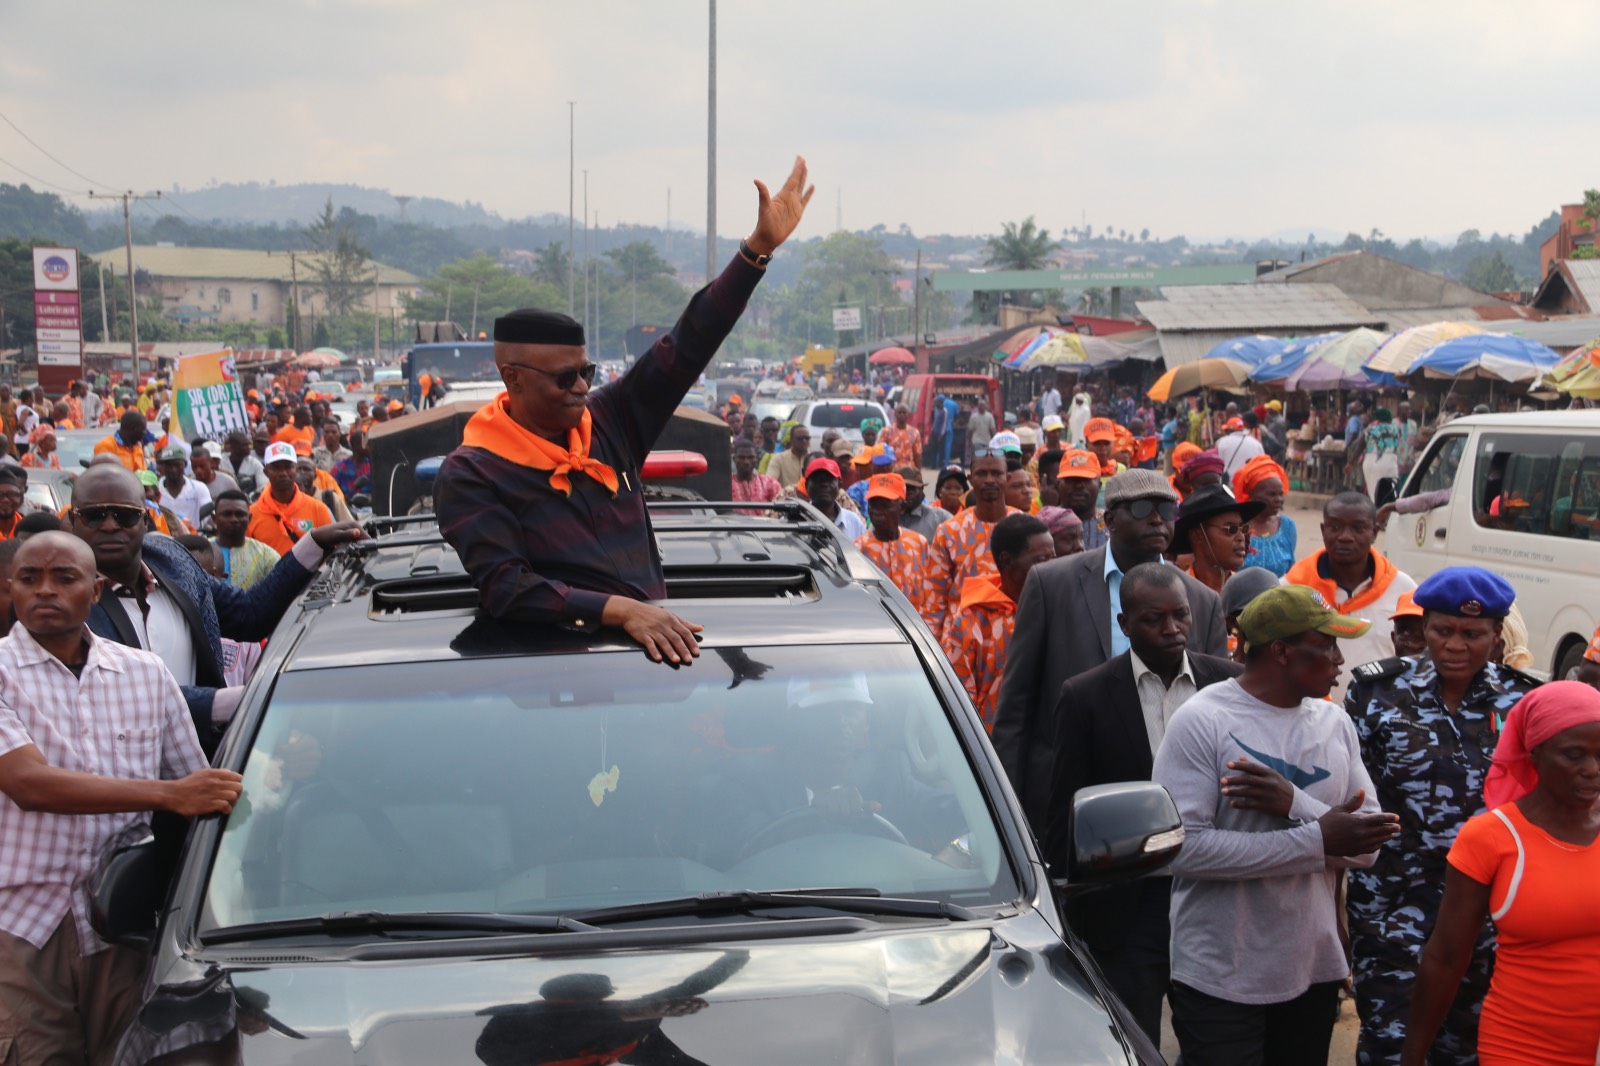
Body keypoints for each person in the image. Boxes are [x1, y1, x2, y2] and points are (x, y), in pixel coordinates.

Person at [0, 532, 243, 1066]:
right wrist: (169, 795)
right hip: (23, 930)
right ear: (9, 588)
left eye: (64, 578)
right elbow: (27, 783)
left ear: (96, 589)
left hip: (126, 926)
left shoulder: (144, 674)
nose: (45, 591)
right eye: (29, 579)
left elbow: (201, 794)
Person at [1153, 583, 1401, 1066]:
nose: (1338, 658)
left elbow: (1368, 841)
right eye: (1326, 644)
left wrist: (1296, 805)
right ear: (1282, 652)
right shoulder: (1202, 721)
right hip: (1222, 972)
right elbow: (1181, 849)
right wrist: (1316, 838)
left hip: (1312, 968)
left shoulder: (1334, 723)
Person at [1041, 563, 1243, 1043]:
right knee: (1136, 1041)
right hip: (1129, 906)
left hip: (1212, 895)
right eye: (1155, 619)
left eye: (1181, 616)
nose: (1172, 630)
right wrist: (1066, 901)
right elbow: (1065, 808)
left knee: (1215, 1042)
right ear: (1124, 623)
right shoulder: (1086, 695)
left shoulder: (1228, 686)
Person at [1345, 566, 1538, 1066]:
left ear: (1497, 637)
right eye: (1442, 630)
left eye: (1473, 634)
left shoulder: (1522, 702)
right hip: (1392, 906)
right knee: (1391, 1044)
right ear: (1424, 626)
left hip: (1485, 911)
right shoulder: (1375, 694)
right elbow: (1350, 793)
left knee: (1470, 1047)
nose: (1456, 645)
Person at [992, 469, 1229, 826]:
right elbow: (1016, 708)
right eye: (1142, 509)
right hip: (1066, 795)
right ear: (1109, 520)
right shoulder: (1051, 584)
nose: (1156, 519)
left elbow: (1216, 712)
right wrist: (1006, 808)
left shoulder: (1203, 601)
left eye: (1166, 511)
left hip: (1171, 804)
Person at [71, 463, 362, 752]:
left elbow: (249, 614)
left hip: (206, 757)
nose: (110, 526)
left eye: (124, 515)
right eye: (94, 516)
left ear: (145, 520)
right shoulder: (61, 600)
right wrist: (237, 701)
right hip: (119, 767)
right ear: (73, 522)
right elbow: (120, 697)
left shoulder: (171, 560)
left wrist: (312, 545)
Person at [1401, 682, 1600, 1066]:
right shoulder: (1492, 839)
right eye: (1574, 755)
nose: (1592, 770)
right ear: (1535, 753)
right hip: (1522, 1048)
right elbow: (1444, 958)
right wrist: (1412, 1057)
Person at [1285, 491, 1418, 702]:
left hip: (1381, 717)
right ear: (1323, 530)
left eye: (1358, 528)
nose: (1345, 536)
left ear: (1374, 532)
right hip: (1308, 719)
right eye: (1335, 527)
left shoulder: (1403, 589)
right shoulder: (1291, 589)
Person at [947, 514, 1053, 729]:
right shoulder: (971, 621)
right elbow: (959, 699)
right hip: (993, 748)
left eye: (1055, 557)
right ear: (1006, 560)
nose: (1053, 567)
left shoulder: (1059, 606)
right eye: (1042, 561)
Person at [925, 453, 1016, 649]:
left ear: (1007, 478)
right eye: (982, 474)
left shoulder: (1025, 528)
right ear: (971, 479)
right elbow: (935, 600)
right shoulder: (949, 531)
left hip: (1014, 641)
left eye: (996, 473)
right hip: (961, 643)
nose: (989, 480)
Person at [854, 473, 930, 615]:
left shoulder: (919, 543)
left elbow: (929, 593)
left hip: (915, 629)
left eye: (885, 506)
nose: (877, 512)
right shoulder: (857, 550)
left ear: (902, 508)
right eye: (873, 505)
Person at [248, 442, 335, 555]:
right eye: (276, 468)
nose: (283, 473)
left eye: (288, 467)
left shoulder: (318, 509)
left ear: (296, 469)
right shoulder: (252, 514)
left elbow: (332, 553)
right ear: (266, 472)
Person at [1175, 483, 1264, 594]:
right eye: (1231, 529)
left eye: (1244, 529)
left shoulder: (1249, 593)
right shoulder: (1178, 595)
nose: (1241, 537)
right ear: (1197, 536)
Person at [1235, 454, 1296, 578]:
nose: (1278, 499)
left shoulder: (1287, 527)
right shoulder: (1236, 527)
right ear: (1252, 494)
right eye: (1272, 494)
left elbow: (1291, 572)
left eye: (1280, 494)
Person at [209, 490, 278, 590]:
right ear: (214, 518)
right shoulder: (200, 551)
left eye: (240, 514)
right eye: (227, 514)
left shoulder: (267, 556)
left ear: (249, 518)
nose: (234, 519)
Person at [1220, 566, 1280, 662]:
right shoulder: (1218, 671)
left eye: (1276, 610)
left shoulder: (1290, 670)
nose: (1272, 618)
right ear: (1232, 622)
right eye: (1260, 613)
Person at [1055, 448, 1107, 550]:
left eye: (1086, 480)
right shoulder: (1044, 525)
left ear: (1099, 486)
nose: (1078, 485)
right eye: (1071, 479)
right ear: (1058, 485)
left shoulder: (1112, 525)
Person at [155, 445, 210, 533]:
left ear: (185, 464)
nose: (173, 469)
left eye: (177, 465)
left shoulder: (199, 488)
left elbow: (207, 514)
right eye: (168, 465)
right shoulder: (155, 490)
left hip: (194, 538)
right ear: (162, 466)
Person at [293, 456, 355, 524]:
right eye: (298, 469)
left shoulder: (330, 498)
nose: (302, 472)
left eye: (306, 469)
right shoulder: (287, 499)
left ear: (315, 476)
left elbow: (349, 525)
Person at [895, 466, 949, 540]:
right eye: (905, 489)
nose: (908, 493)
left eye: (913, 488)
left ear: (921, 489)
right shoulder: (886, 517)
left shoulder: (940, 517)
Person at [1362, 406, 1402, 499]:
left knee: (1373, 491)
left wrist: (1350, 463)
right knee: (1390, 490)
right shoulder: (1396, 429)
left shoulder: (1370, 429)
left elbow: (1360, 446)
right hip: (1389, 461)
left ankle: (1375, 509)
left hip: (1371, 461)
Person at [730, 438, 781, 512]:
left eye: (751, 457)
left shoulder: (770, 483)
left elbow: (779, 512)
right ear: (734, 459)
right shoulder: (725, 484)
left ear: (756, 459)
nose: (746, 462)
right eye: (741, 457)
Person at [219, 430, 266, 496]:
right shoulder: (221, 462)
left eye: (248, 444)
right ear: (233, 446)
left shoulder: (254, 463)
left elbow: (263, 486)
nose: (248, 448)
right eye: (244, 445)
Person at [330, 429, 372, 499]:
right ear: (356, 445)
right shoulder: (340, 466)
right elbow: (331, 488)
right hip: (346, 506)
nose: (369, 447)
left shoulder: (372, 466)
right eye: (366, 444)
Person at [1388, 590, 1427, 658]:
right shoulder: (1381, 668)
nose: (1414, 645)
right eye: (1405, 634)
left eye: (1423, 636)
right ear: (1393, 638)